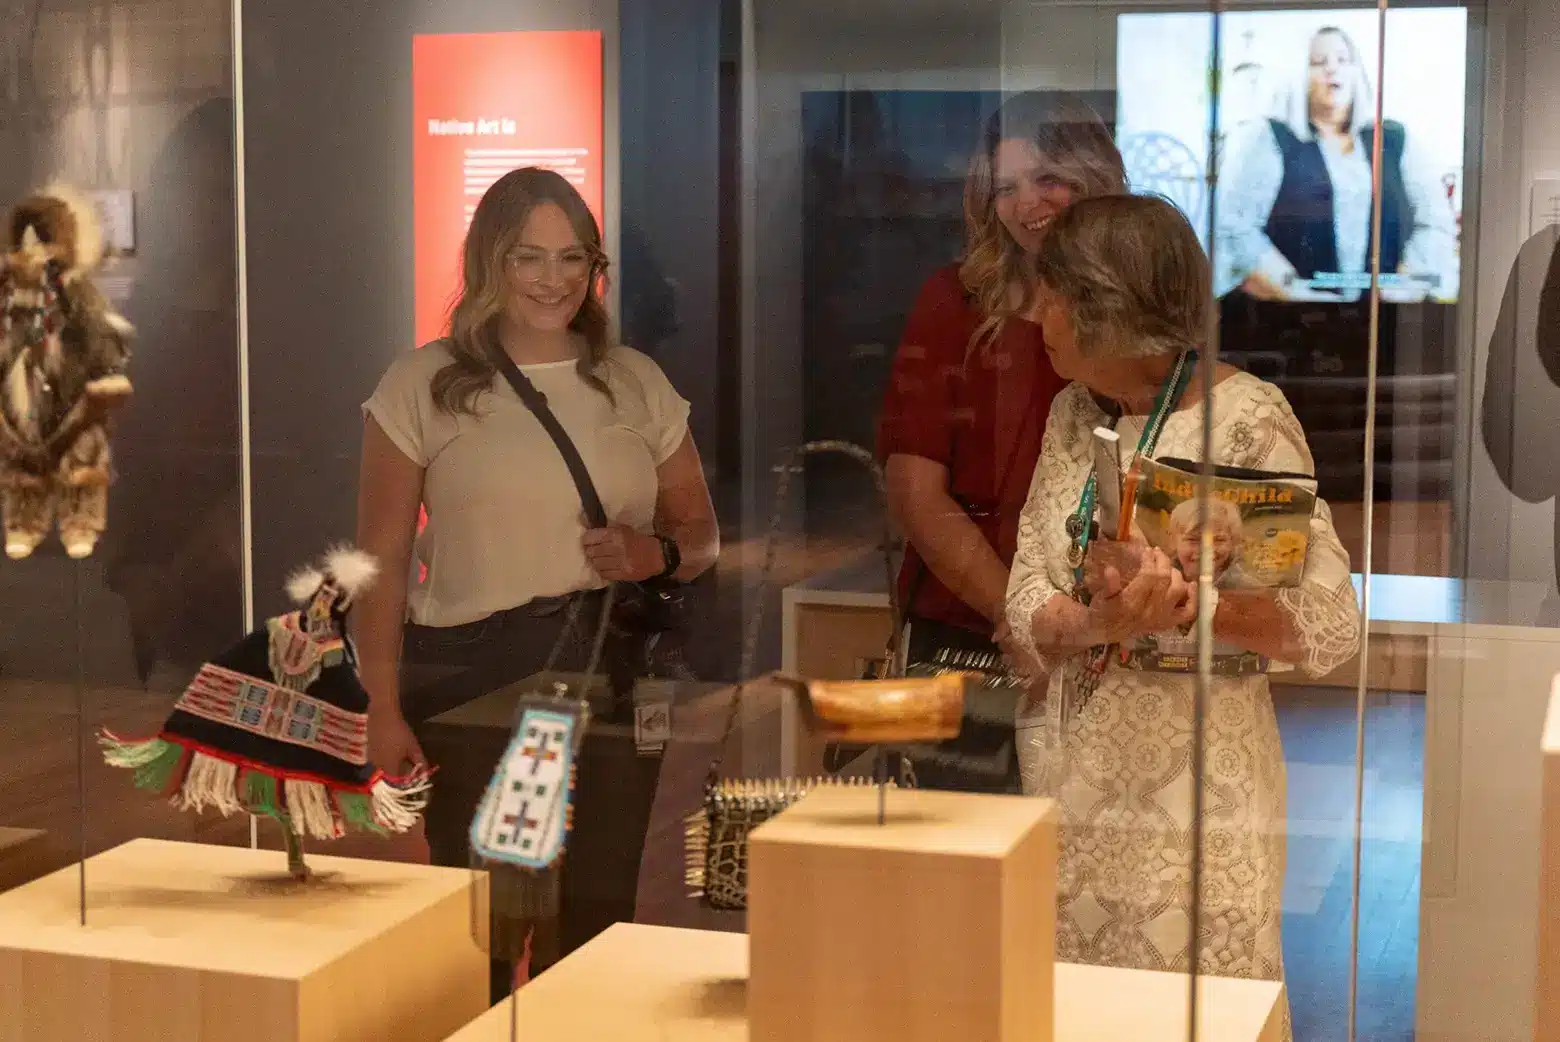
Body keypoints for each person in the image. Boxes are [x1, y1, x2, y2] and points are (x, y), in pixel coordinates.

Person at [353, 167, 719, 988]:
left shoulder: (634, 380)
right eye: (529, 258)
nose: (554, 280)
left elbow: (701, 534)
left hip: (606, 663)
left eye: (572, 257)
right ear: (490, 261)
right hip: (476, 671)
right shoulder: (423, 383)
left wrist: (650, 553)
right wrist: (379, 708)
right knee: (481, 920)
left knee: (594, 921)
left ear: (595, 266)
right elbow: (376, 564)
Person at [1005, 194, 1361, 1037]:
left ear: (1107, 304)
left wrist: (1193, 606)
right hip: (1075, 776)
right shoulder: (1072, 412)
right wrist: (1100, 622)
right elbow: (1024, 601)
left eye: (1051, 293)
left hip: (1204, 790)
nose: (1034, 313)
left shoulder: (1250, 418)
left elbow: (1332, 629)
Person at [877, 92, 1125, 791]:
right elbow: (915, 490)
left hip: (1108, 633)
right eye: (1005, 187)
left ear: (1092, 172)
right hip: (967, 629)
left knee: (1082, 880)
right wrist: (1012, 615)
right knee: (955, 872)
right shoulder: (950, 302)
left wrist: (1084, 620)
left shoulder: (1142, 307)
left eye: (1046, 177)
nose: (1026, 204)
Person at [1216, 25, 1458, 303]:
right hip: (1289, 320)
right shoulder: (1267, 137)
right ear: (1298, 76)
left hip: (1387, 321)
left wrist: (1401, 289)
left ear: (1358, 71)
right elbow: (1236, 229)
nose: (1332, 68)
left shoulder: (1397, 139)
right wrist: (1298, 294)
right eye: (1318, 62)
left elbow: (1435, 222)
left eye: (1343, 60)